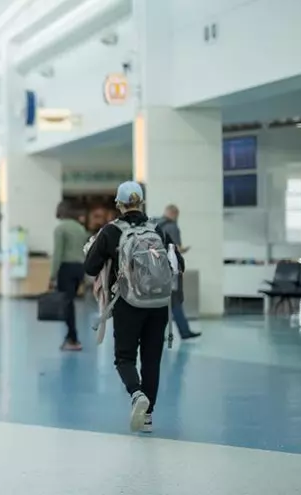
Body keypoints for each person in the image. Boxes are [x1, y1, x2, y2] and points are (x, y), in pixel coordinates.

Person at [83, 181, 184, 434]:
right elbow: (178, 263)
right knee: (152, 360)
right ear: (142, 203)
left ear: (119, 204)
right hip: (159, 304)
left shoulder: (111, 231)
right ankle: (148, 418)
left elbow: (90, 268)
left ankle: (136, 393)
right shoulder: (158, 229)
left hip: (128, 303)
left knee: (124, 358)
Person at [50, 200, 90, 351]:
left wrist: (52, 275)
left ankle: (73, 338)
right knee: (70, 301)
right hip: (79, 267)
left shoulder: (60, 229)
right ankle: (70, 336)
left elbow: (58, 254)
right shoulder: (80, 228)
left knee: (67, 304)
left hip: (66, 267)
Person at [158, 205, 201, 340]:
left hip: (158, 271)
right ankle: (184, 331)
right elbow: (175, 248)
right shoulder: (172, 227)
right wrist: (184, 250)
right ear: (174, 213)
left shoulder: (157, 226)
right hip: (171, 271)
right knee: (175, 301)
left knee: (164, 302)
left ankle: (159, 333)